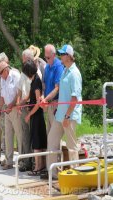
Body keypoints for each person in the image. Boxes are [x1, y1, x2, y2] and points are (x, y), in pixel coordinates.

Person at [47, 44, 82, 179]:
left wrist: (67, 115)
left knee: (72, 146)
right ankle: (53, 173)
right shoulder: (65, 70)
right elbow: (62, 91)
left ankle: (76, 176)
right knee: (52, 140)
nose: (61, 56)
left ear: (69, 56)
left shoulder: (74, 73)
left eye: (62, 54)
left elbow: (75, 98)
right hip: (60, 114)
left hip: (69, 115)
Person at [0, 61, 23, 170]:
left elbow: (19, 93)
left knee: (19, 136)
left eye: (1, 72)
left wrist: (11, 105)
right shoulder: (2, 79)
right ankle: (9, 161)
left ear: (6, 70)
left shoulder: (16, 75)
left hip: (15, 108)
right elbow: (2, 96)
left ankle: (21, 160)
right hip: (7, 109)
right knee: (8, 136)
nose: (0, 75)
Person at [23, 60, 47, 175]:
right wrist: (22, 102)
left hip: (37, 115)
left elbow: (37, 102)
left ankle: (38, 166)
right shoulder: (33, 80)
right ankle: (40, 165)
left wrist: (29, 114)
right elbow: (29, 96)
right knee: (38, 140)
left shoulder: (36, 81)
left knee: (37, 142)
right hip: (35, 115)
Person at [40, 44, 64, 135]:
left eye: (48, 57)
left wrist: (45, 99)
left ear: (54, 55)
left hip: (55, 104)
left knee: (54, 134)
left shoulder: (58, 67)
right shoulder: (47, 67)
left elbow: (57, 88)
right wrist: (42, 97)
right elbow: (44, 85)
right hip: (48, 103)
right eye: (45, 57)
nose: (46, 59)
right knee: (49, 132)